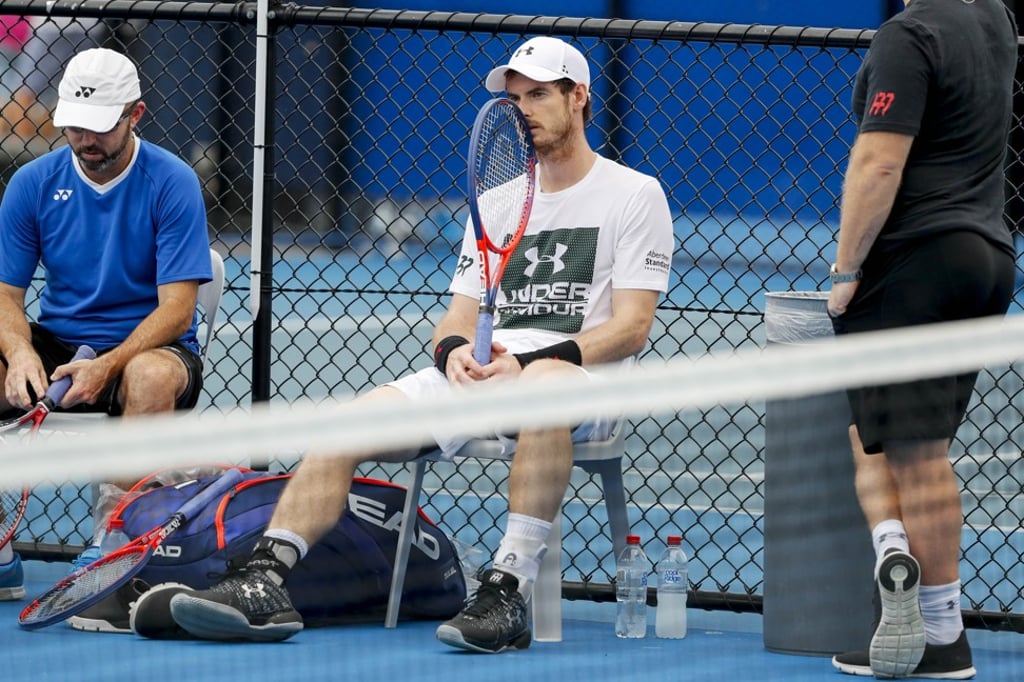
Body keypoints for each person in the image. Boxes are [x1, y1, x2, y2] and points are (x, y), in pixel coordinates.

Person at [166, 35, 674, 652]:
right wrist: (454, 353)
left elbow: (630, 329)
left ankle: (506, 589)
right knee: (345, 423)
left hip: (575, 385)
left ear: (579, 97)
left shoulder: (635, 193)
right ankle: (265, 582)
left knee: (543, 389)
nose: (525, 110)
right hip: (483, 379)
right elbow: (454, 318)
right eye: (514, 100)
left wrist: (530, 364)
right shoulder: (497, 200)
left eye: (539, 95)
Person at [827, 0, 1016, 678]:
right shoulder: (994, 23)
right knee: (871, 434)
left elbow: (878, 163)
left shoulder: (910, 35)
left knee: (915, 453)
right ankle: (891, 553)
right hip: (988, 258)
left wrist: (846, 269)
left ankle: (942, 634)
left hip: (917, 260)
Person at [0, 48, 213, 603]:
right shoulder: (31, 183)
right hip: (58, 343)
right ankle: (0, 552)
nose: (85, 140)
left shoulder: (173, 180)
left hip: (150, 346)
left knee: (147, 376)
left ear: (135, 115)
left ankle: (115, 540)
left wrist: (108, 364)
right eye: (74, 126)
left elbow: (177, 310)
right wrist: (20, 352)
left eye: (99, 128)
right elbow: (5, 295)